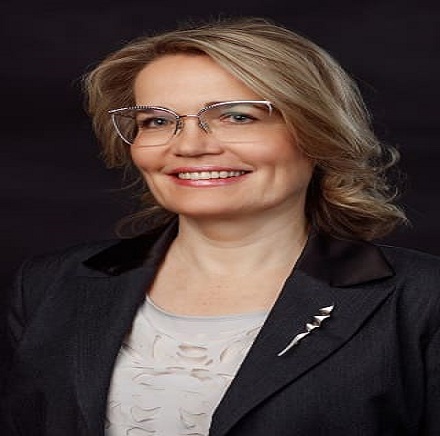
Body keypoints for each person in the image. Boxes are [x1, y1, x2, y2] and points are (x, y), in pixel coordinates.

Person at [1, 16, 439, 436]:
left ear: (317, 133)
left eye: (238, 116)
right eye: (157, 121)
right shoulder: (49, 285)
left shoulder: (422, 300)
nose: (190, 146)